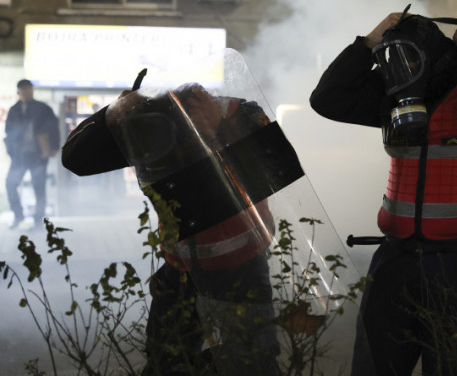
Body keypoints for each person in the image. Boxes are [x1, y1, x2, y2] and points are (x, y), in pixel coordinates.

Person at [310, 10, 457, 376]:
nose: (401, 69)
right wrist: (369, 43)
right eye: (393, 58)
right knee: (374, 365)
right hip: (396, 256)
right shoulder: (395, 91)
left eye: (410, 58)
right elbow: (327, 99)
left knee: (456, 366)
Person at [62, 83, 305, 375]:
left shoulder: (238, 113)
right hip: (182, 268)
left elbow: (273, 167)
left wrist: (220, 130)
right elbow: (76, 158)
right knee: (168, 360)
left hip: (245, 266)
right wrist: (111, 115)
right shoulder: (150, 122)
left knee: (253, 361)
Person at [5, 78, 59, 229]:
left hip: (38, 155)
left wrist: (53, 147)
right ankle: (18, 215)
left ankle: (38, 221)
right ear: (19, 92)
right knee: (10, 184)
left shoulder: (43, 109)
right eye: (23, 90)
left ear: (32, 90)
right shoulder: (14, 110)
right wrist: (11, 151)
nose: (26, 92)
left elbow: (54, 128)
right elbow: (8, 133)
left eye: (29, 89)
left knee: (39, 188)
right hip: (19, 157)